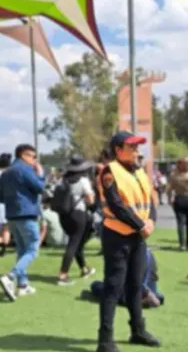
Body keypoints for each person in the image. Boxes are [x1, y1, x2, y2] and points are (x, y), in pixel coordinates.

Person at [97, 131, 160, 352]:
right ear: (118, 150)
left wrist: (151, 220)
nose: (136, 151)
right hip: (117, 236)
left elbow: (150, 199)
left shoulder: (138, 171)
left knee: (135, 285)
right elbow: (116, 205)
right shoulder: (109, 171)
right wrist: (141, 225)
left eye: (137, 147)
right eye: (132, 147)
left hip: (138, 237)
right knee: (113, 287)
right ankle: (105, 340)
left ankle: (137, 330)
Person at [0, 144, 45, 301]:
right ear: (24, 155)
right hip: (27, 214)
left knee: (22, 250)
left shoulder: (5, 173)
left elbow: (1, 198)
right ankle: (11, 277)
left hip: (11, 215)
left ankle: (22, 285)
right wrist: (40, 174)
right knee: (32, 249)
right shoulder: (25, 170)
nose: (35, 160)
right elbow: (40, 187)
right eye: (33, 156)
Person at [56, 154, 96, 286]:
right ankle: (63, 274)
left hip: (63, 215)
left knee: (75, 242)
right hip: (78, 214)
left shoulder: (62, 180)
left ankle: (84, 268)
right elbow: (91, 200)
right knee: (73, 244)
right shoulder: (83, 180)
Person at [167, 158, 188, 250]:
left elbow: (169, 189)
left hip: (178, 199)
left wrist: (169, 199)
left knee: (180, 222)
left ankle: (182, 244)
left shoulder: (173, 175)